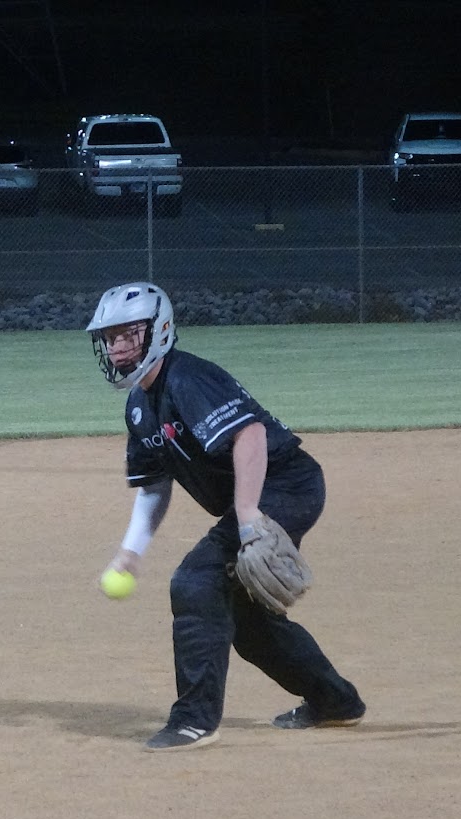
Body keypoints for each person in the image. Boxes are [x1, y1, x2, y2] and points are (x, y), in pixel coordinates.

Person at [87, 282, 366, 752]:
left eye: (128, 334)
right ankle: (335, 701)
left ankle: (194, 721)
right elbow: (155, 485)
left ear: (159, 331)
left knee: (196, 581)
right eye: (110, 337)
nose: (116, 346)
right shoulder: (139, 407)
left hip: (286, 485)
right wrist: (130, 552)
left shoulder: (186, 379)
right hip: (264, 495)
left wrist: (249, 516)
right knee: (250, 625)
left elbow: (251, 435)